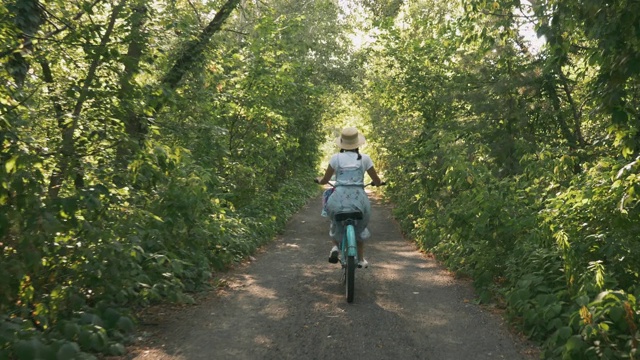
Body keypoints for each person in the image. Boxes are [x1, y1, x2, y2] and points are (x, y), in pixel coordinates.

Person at [316, 127, 383, 268]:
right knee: (360, 226)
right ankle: (360, 259)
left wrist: (320, 180)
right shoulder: (365, 159)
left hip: (339, 198)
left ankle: (335, 247)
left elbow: (325, 179)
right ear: (357, 143)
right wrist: (379, 183)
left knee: (334, 221)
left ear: (342, 143)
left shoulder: (335, 158)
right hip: (359, 199)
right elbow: (376, 180)